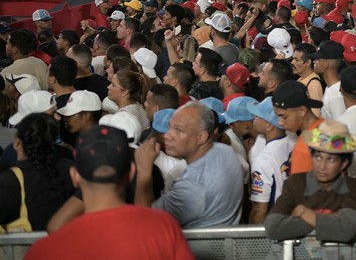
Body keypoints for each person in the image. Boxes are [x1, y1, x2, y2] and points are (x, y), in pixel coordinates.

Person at [25, 125, 194, 260]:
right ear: (131, 172)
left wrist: (92, 182)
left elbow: (54, 226)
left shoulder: (43, 251)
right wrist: (144, 174)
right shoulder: (164, 228)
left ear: (75, 176)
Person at [134, 101, 244, 228]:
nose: (167, 136)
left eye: (178, 130)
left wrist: (144, 171)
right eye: (170, 127)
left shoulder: (192, 187)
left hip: (200, 247)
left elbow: (145, 222)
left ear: (201, 137)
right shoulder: (225, 151)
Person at [264, 120, 356, 243]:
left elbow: (346, 230)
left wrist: (303, 212)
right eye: (318, 157)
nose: (322, 166)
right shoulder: (296, 183)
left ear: (343, 163)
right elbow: (273, 227)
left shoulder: (353, 187)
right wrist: (331, 219)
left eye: (331, 160)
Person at [0, 113, 73, 231]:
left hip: (29, 249)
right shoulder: (72, 170)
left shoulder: (10, 180)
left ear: (17, 143)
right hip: (67, 246)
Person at [247, 97, 294, 224]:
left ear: (269, 126)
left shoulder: (263, 160)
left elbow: (259, 210)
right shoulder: (295, 142)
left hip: (275, 227)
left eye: (258, 116)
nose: (253, 119)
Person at [272, 81, 324, 175]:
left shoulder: (303, 150)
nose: (280, 122)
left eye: (284, 117)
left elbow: (300, 188)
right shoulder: (331, 129)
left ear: (301, 110)